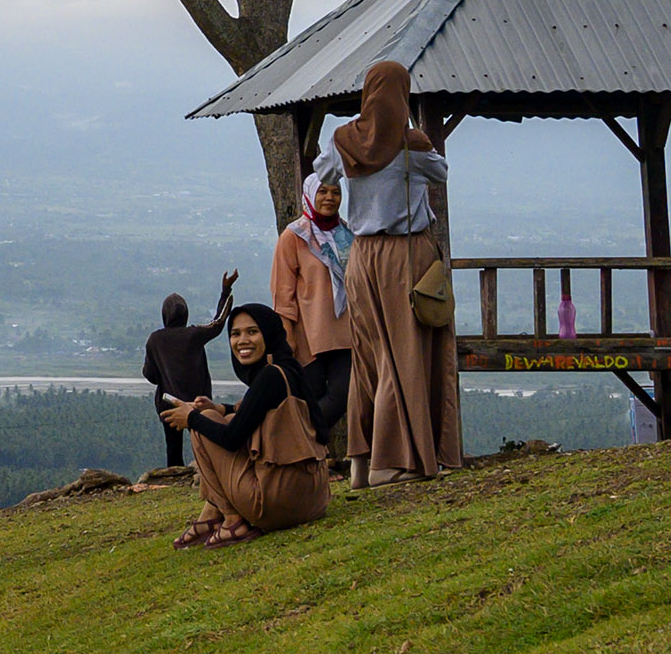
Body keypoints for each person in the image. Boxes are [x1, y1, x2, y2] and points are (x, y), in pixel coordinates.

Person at [319, 59, 462, 486]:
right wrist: (410, 132)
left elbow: (323, 173)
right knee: (405, 358)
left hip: (362, 258)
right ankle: (393, 462)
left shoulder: (344, 140)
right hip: (404, 255)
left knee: (369, 358)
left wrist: (353, 142)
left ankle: (361, 465)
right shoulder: (410, 145)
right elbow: (441, 172)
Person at [158, 304, 332, 544]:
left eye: (252, 332)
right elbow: (255, 410)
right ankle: (210, 515)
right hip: (314, 499)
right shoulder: (288, 369)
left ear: (268, 333)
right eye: (235, 334)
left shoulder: (270, 376)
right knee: (221, 417)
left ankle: (232, 520)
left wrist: (191, 419)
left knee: (204, 423)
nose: (242, 340)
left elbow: (231, 439)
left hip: (276, 505)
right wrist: (221, 408)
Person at [268, 169, 351, 436]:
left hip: (346, 331)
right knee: (311, 397)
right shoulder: (294, 236)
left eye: (335, 192)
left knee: (342, 395)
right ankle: (305, 455)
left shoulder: (348, 234)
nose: (330, 198)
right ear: (309, 195)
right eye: (323, 191)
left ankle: (299, 443)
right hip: (309, 333)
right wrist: (287, 333)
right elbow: (283, 291)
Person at [142, 283, 232, 467]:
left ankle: (175, 478)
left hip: (168, 402)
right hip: (198, 402)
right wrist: (225, 292)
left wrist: (166, 374)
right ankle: (206, 477)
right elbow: (219, 322)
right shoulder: (193, 334)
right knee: (203, 445)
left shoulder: (155, 339)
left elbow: (149, 374)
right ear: (185, 314)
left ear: (164, 315)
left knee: (173, 449)